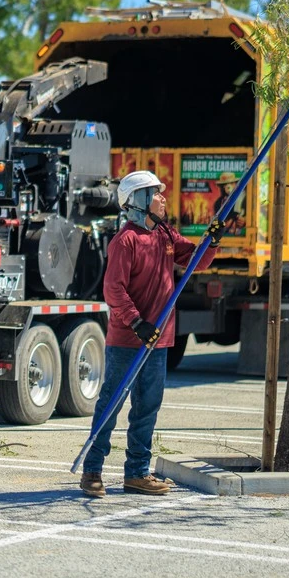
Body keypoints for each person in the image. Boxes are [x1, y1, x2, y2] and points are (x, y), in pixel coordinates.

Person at [80, 170, 223, 497]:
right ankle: (92, 471)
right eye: (156, 193)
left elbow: (195, 261)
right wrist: (135, 322)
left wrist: (211, 241)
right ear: (140, 201)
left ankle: (137, 474)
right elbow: (113, 289)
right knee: (111, 406)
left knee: (147, 408)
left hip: (158, 341)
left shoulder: (165, 235)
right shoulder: (125, 240)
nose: (162, 197)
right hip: (129, 341)